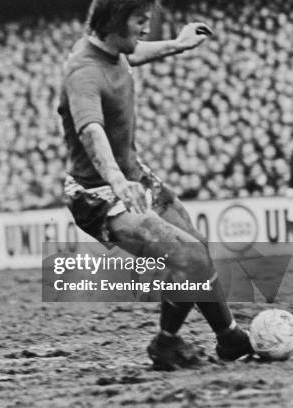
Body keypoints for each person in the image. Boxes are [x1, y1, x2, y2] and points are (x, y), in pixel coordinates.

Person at [58, 0, 253, 370]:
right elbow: (91, 132)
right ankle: (197, 340)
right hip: (100, 195)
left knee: (197, 251)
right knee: (189, 258)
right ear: (116, 19)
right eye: (141, 21)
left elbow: (132, 53)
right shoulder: (82, 73)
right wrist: (116, 180)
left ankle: (214, 340)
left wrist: (177, 44)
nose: (147, 29)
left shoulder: (112, 49)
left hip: (134, 176)